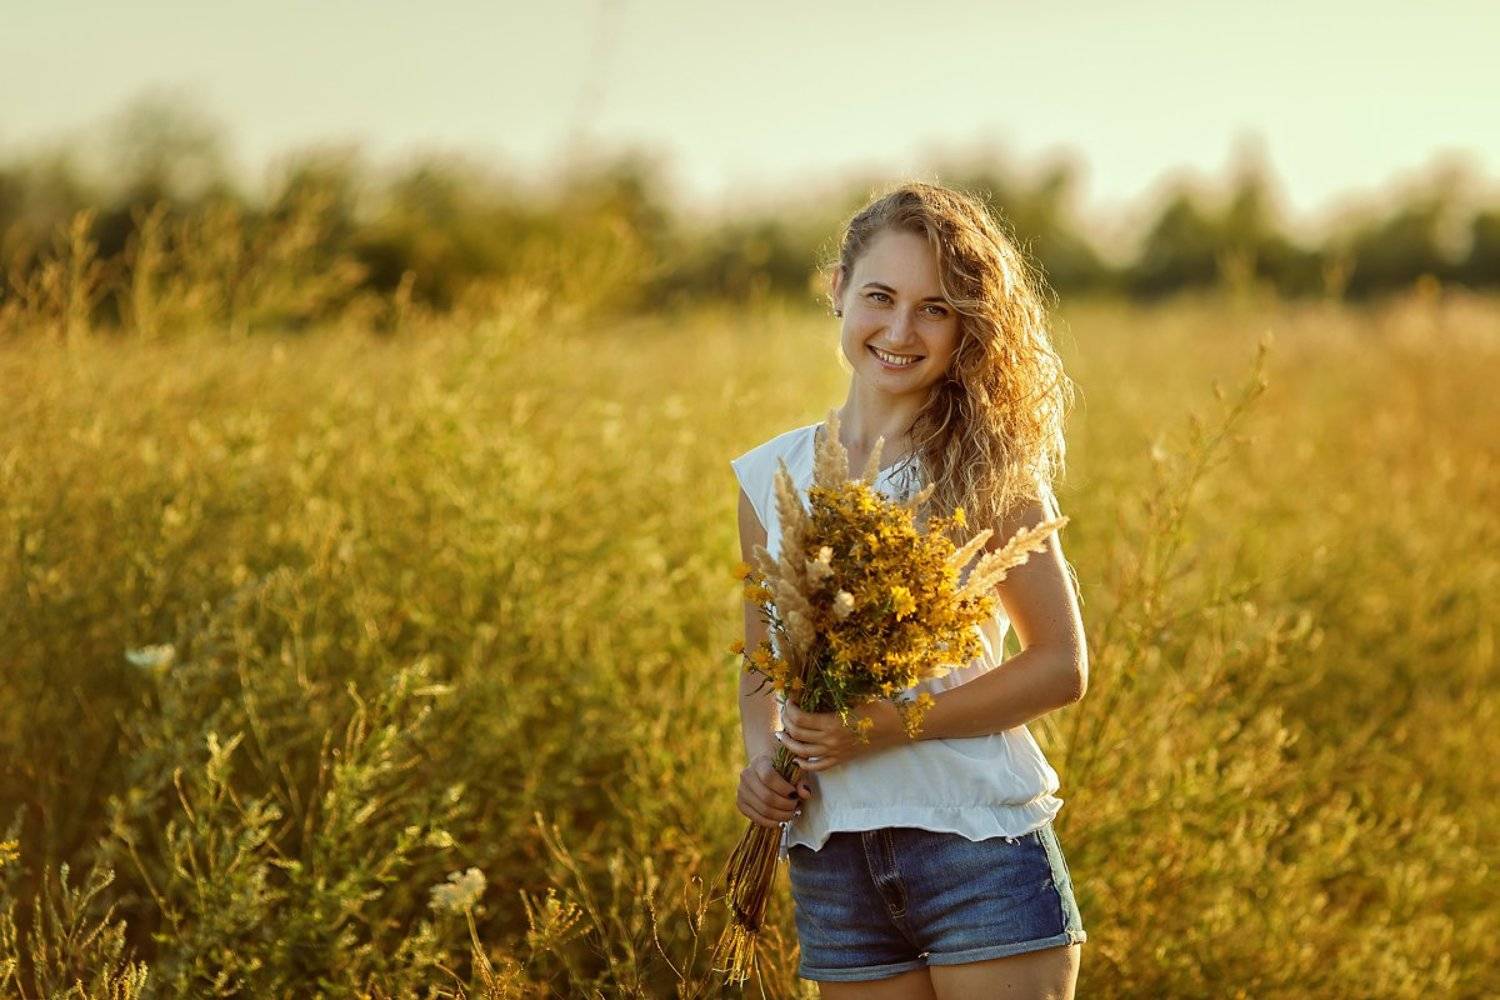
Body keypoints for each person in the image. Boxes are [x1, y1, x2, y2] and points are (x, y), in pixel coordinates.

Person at [728, 181, 1089, 999]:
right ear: (838, 293)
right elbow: (761, 661)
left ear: (967, 328)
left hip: (973, 847)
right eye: (880, 297)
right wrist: (761, 757)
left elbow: (1062, 667)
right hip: (829, 860)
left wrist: (885, 726)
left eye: (934, 309)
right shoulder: (768, 476)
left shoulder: (988, 469)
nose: (899, 331)